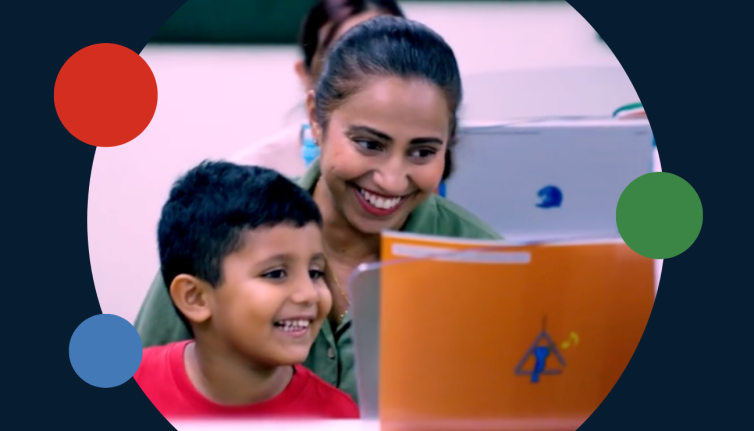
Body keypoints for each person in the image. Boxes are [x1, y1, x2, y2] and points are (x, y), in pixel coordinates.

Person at [135, 16, 501, 405]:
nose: (392, 180)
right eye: (369, 144)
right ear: (315, 118)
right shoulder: (224, 227)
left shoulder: (489, 263)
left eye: (423, 152)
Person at [134, 161, 359, 419]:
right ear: (194, 297)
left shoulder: (338, 418)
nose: (308, 294)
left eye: (315, 273)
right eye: (276, 274)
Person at [228, 0, 405, 178]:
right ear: (305, 76)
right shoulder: (250, 176)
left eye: (385, 56)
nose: (369, 79)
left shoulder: (429, 170)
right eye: (341, 61)